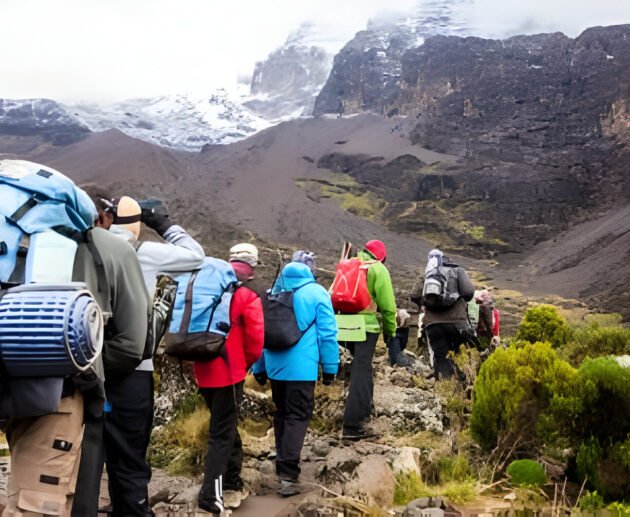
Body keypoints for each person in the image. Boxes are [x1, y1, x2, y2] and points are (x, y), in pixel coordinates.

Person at [0, 160, 149, 517]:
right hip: (60, 393)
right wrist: (87, 364)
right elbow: (132, 343)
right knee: (39, 502)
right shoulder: (111, 249)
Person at [91, 195, 205, 516]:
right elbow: (196, 257)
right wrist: (163, 224)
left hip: (83, 366)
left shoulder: (81, 248)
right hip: (132, 371)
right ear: (137, 225)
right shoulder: (144, 253)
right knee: (128, 458)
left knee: (87, 455)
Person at [251, 260, 338, 496]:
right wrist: (330, 367)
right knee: (298, 416)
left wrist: (258, 368)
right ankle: (288, 475)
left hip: (274, 368)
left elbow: (259, 334)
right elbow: (327, 333)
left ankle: (282, 463)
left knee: (282, 414)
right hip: (303, 369)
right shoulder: (317, 293)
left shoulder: (271, 294)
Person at [194, 243, 264, 515]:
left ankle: (233, 480)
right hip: (229, 372)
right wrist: (246, 365)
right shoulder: (247, 295)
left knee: (224, 425)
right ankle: (210, 494)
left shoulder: (208, 288)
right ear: (251, 266)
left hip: (202, 369)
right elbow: (256, 341)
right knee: (221, 434)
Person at [341, 239, 397, 441]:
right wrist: (390, 333)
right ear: (381, 256)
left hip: (342, 326)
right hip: (365, 327)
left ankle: (363, 410)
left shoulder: (349, 264)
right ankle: (352, 425)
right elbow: (388, 307)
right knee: (362, 370)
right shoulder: (378, 269)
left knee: (352, 369)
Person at [410, 249, 475, 380]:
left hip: (433, 324)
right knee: (461, 354)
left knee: (441, 356)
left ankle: (444, 389)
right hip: (457, 322)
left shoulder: (428, 274)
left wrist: (425, 304)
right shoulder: (458, 270)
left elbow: (414, 294)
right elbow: (468, 292)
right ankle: (463, 387)